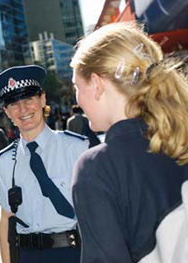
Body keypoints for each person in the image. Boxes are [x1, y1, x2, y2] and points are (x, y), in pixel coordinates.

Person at [71, 22, 188, 263]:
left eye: (76, 86)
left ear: (97, 84)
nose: (78, 99)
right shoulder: (179, 137)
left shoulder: (97, 167)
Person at [0, 65, 89, 263]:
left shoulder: (76, 148)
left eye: (28, 99)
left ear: (42, 99)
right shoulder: (6, 161)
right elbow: (6, 221)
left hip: (73, 253)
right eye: (14, 104)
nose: (23, 109)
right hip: (28, 256)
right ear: (6, 112)